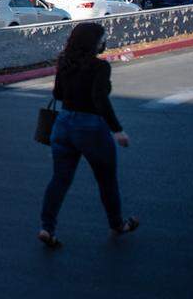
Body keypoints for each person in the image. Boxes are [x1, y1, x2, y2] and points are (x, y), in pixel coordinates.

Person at [38, 21, 139, 247]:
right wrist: (117, 130)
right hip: (91, 127)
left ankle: (47, 227)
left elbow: (58, 94)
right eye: (101, 39)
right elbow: (100, 100)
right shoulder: (100, 68)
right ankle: (117, 224)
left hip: (63, 124)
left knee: (60, 179)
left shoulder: (64, 63)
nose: (103, 43)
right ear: (94, 43)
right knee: (106, 180)